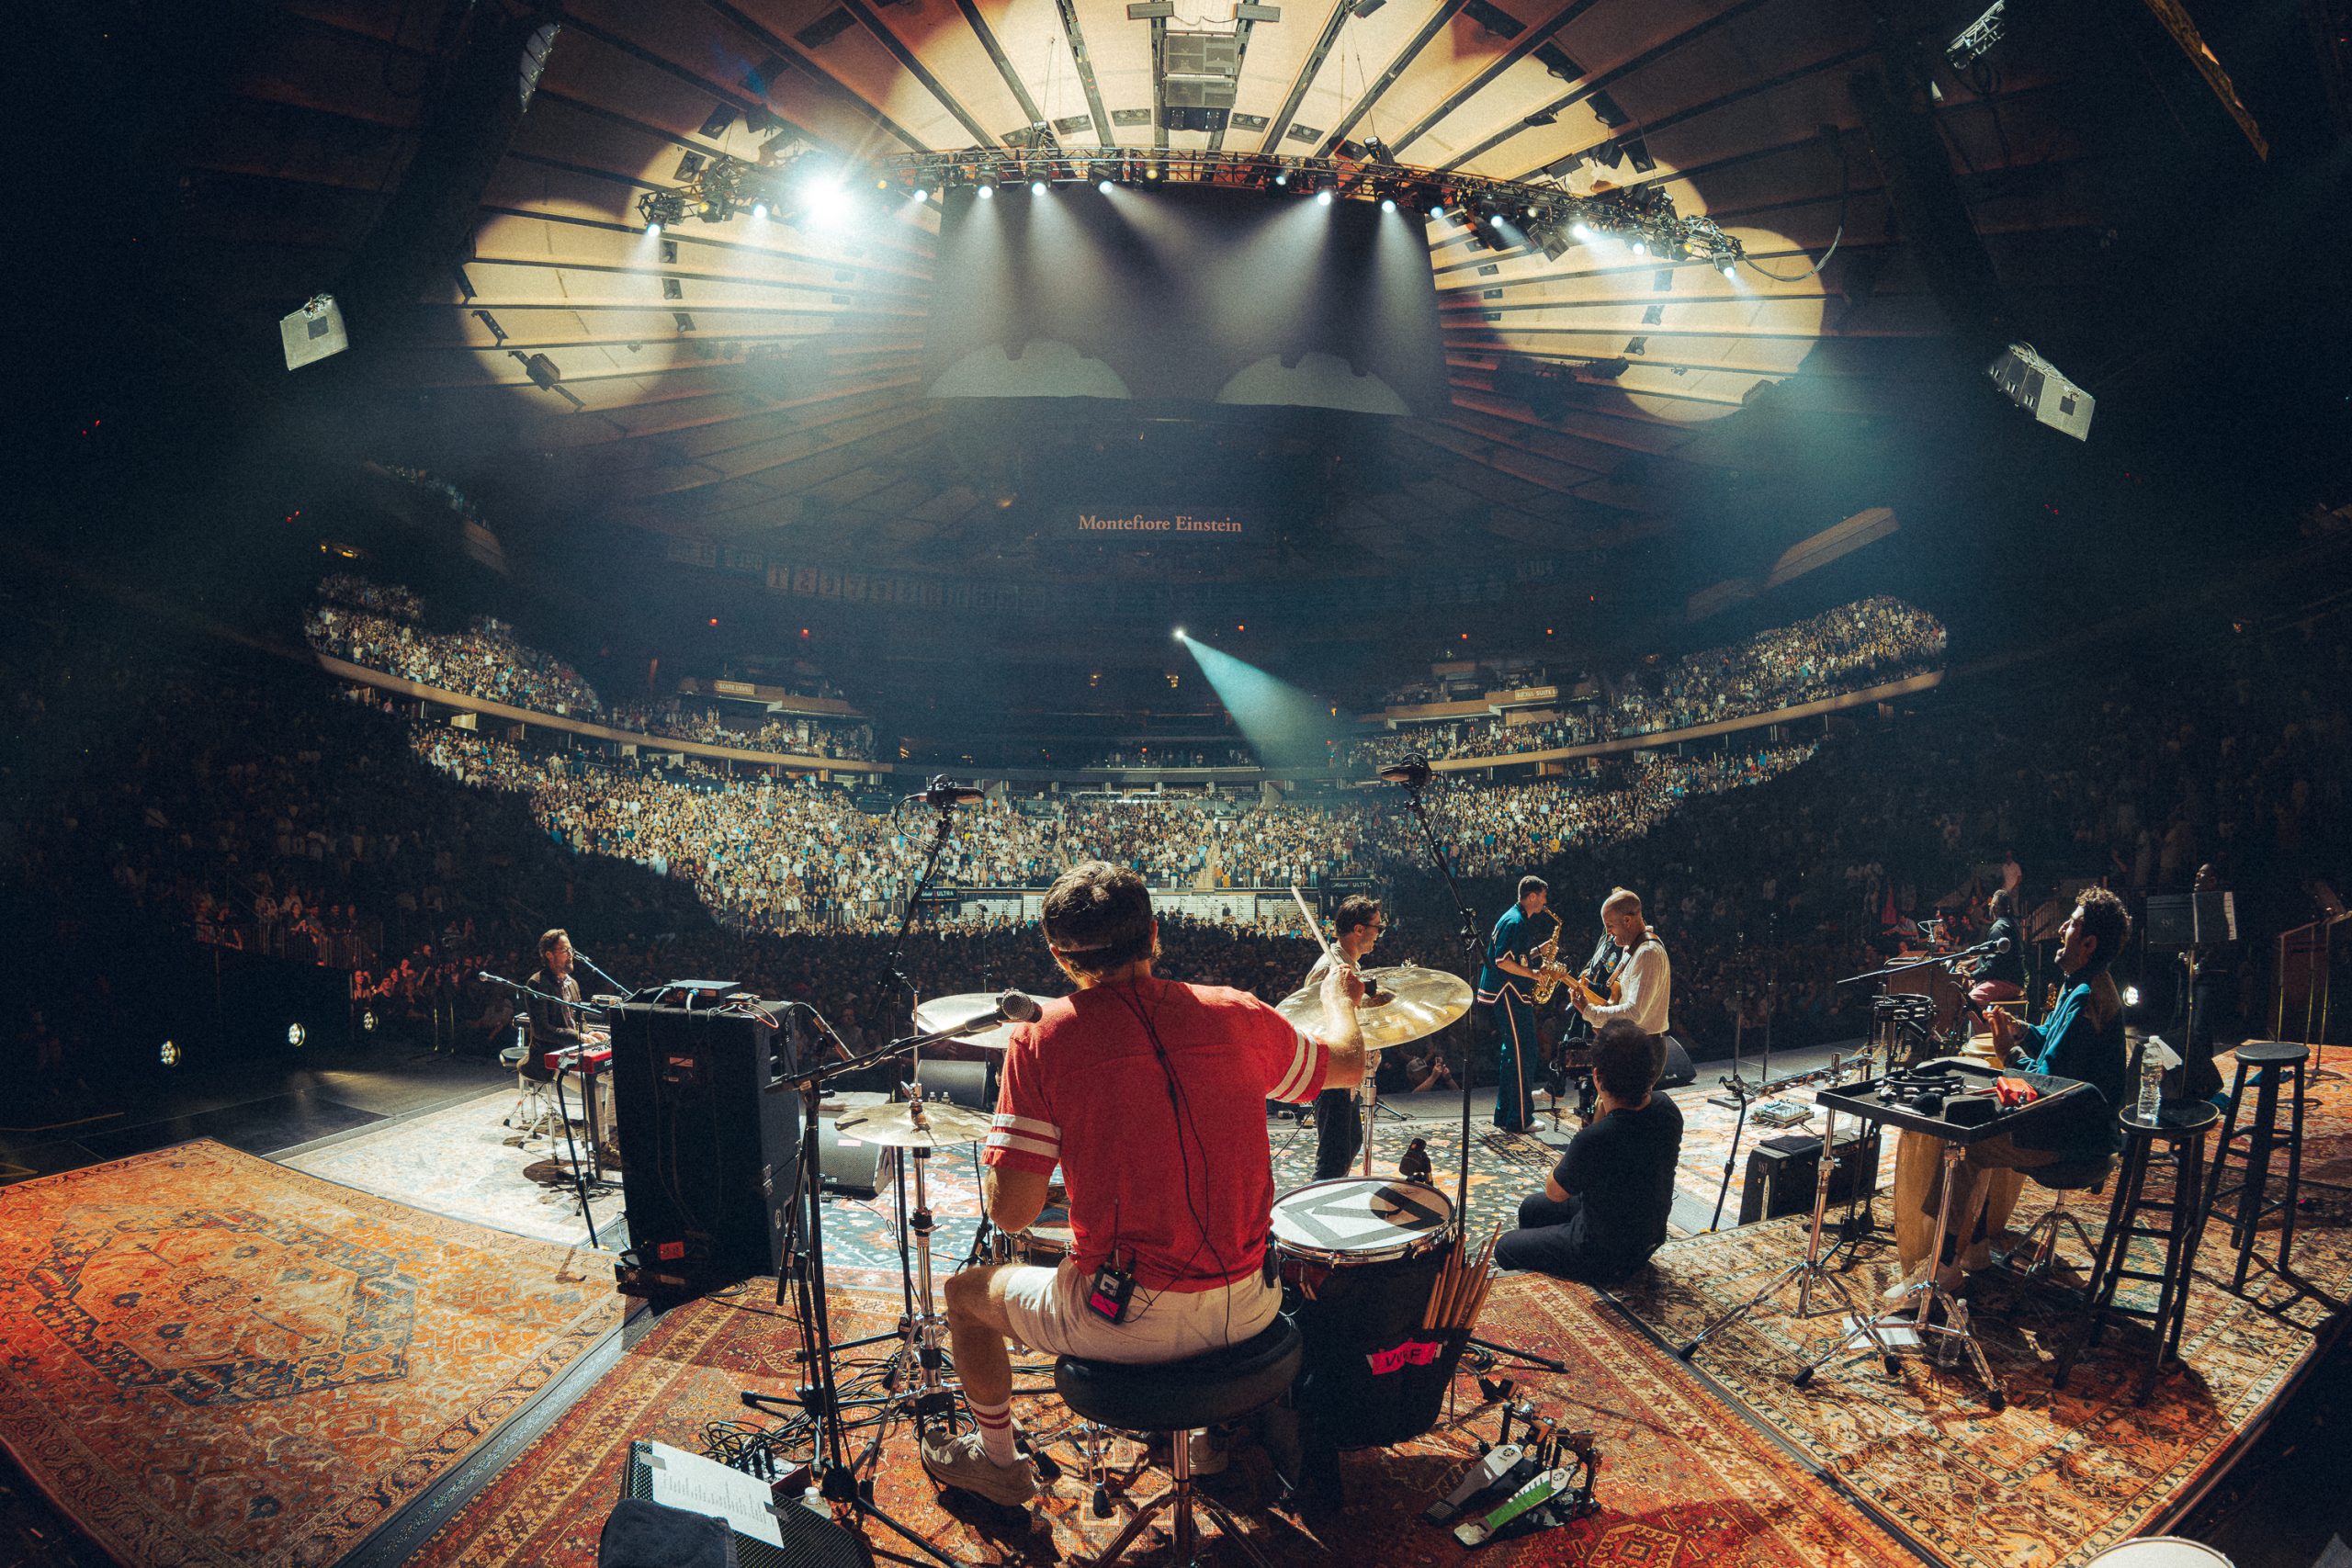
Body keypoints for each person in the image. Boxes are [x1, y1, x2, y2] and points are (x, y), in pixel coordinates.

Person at [924, 861, 1366, 1506]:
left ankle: (997, 1466)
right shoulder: (1237, 1011)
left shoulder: (1042, 1039)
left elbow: (1012, 1213)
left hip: (1124, 1316)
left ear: (1058, 955)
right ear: (1155, 933)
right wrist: (1336, 1002)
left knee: (965, 1293)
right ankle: (1206, 1442)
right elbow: (1349, 1064)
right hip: (1254, 1299)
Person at [1928, 887, 2132, 1291]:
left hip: (2072, 1142)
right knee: (1979, 1126)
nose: (2061, 929)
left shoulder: (2085, 998)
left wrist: (2009, 1053)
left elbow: (2041, 1085)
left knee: (1963, 1145)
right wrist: (2022, 1030)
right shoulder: (2085, 985)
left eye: (2071, 923)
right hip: (2081, 1128)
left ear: (2088, 943)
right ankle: (1976, 1250)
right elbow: (2056, 1044)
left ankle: (1942, 1270)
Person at [1493, 1020, 1683, 1282]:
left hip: (1603, 1252)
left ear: (1597, 1077)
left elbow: (1555, 1191)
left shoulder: (1596, 1138)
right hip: (1648, 1234)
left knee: (1505, 1247)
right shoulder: (1667, 1109)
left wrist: (1585, 1133)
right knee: (1530, 1209)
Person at [1304, 895, 1385, 1180]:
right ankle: (1315, 1211)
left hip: (1344, 1068)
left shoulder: (1349, 964)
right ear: (1359, 929)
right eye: (1377, 927)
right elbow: (1311, 1015)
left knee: (1351, 1141)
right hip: (1332, 1067)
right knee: (1333, 1158)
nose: (1379, 934)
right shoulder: (1331, 967)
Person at [1476, 875, 1565, 1134]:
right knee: (1524, 1053)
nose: (1546, 902)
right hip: (1509, 992)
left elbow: (1517, 956)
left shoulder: (1514, 919)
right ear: (1533, 896)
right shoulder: (1514, 921)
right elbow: (1503, 961)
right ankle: (1521, 1118)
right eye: (1543, 896)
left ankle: (1505, 1114)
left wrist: (1539, 951)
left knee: (1512, 1054)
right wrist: (1536, 975)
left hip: (1510, 992)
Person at [1565, 888, 1671, 1084]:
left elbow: (1634, 1013)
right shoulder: (1631, 949)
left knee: (1624, 1112)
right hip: (1630, 1045)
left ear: (1628, 921)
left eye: (1610, 925)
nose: (1608, 933)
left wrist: (1590, 1012)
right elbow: (1619, 998)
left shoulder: (1647, 953)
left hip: (1643, 1050)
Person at [525, 927, 605, 1060]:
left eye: (570, 949)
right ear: (549, 955)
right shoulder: (537, 984)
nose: (570, 954)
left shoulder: (572, 983)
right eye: (564, 950)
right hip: (550, 1056)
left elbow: (580, 1020)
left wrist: (590, 1032)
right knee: (593, 1078)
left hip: (575, 1049)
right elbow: (542, 1030)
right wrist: (578, 1037)